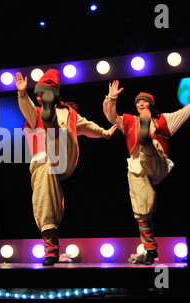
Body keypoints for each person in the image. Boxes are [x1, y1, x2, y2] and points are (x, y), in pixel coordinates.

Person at [103, 79, 190, 264]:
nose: (141, 103)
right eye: (138, 102)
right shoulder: (129, 121)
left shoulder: (165, 119)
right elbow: (111, 117)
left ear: (151, 105)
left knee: (150, 144)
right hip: (137, 167)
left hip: (157, 164)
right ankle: (150, 250)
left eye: (144, 101)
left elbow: (186, 111)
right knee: (142, 210)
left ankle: (146, 139)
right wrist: (111, 98)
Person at [14, 69, 117, 265]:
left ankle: (54, 128)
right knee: (44, 195)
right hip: (42, 163)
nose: (37, 98)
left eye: (41, 94)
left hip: (63, 155)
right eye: (36, 95)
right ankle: (51, 249)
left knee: (61, 135)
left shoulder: (70, 113)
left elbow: (88, 127)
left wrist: (105, 133)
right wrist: (21, 93)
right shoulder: (33, 112)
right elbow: (25, 106)